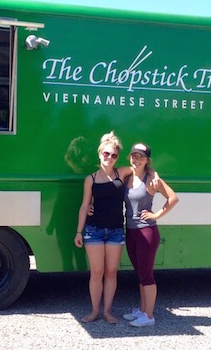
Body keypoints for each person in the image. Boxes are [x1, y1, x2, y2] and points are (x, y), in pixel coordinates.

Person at [74, 131, 133, 324]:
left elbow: (142, 166)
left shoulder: (122, 173)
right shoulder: (90, 179)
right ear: (100, 154)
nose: (109, 157)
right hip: (94, 230)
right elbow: (84, 206)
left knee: (111, 273)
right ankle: (94, 311)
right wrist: (79, 231)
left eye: (114, 155)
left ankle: (107, 312)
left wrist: (155, 177)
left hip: (116, 230)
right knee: (97, 273)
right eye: (106, 154)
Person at [122, 142, 178, 327]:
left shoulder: (151, 179)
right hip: (130, 231)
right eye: (134, 155)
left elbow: (173, 198)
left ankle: (149, 316)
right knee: (140, 273)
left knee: (147, 275)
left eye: (141, 157)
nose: (136, 159)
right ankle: (143, 310)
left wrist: (156, 215)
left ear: (147, 160)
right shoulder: (127, 175)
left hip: (146, 232)